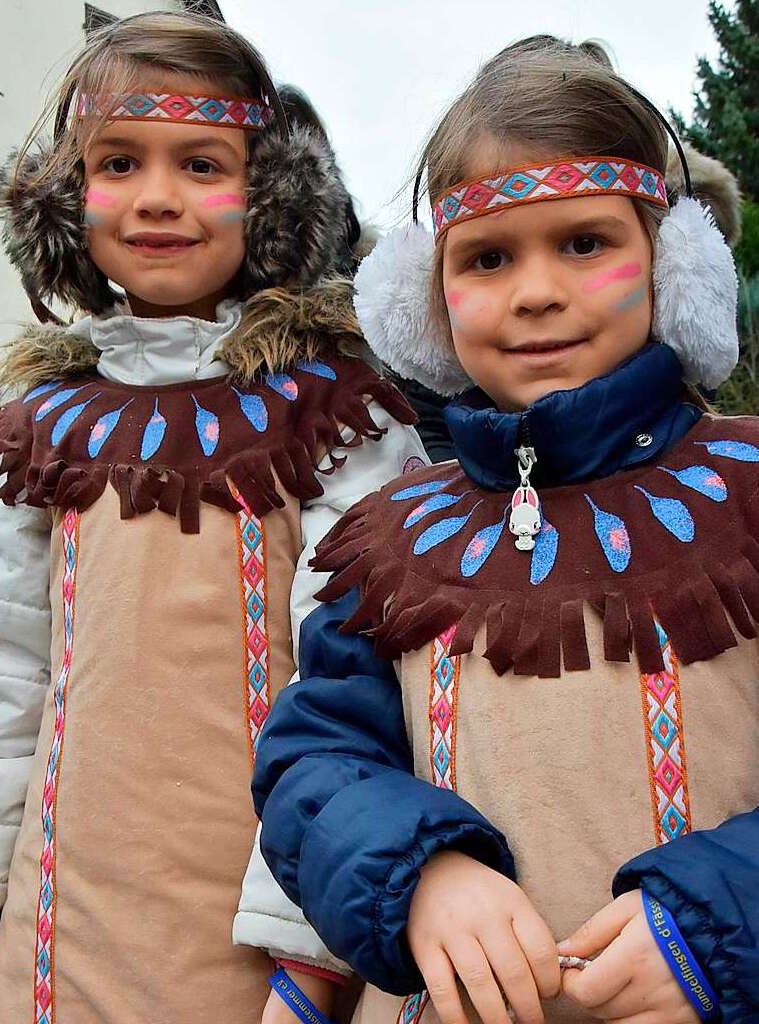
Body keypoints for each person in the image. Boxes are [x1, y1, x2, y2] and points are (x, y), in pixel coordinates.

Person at [251, 36, 759, 1024]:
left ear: (672, 263)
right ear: (423, 300)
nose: (533, 291)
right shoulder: (386, 535)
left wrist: (722, 919)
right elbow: (314, 759)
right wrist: (415, 871)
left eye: (583, 243)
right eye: (486, 257)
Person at [0, 11, 426, 1024]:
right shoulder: (37, 431)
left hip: (263, 936)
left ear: (269, 198)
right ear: (67, 198)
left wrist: (310, 948)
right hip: (60, 933)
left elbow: (361, 682)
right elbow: (7, 671)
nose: (155, 198)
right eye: (117, 163)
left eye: (199, 163)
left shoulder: (332, 416)